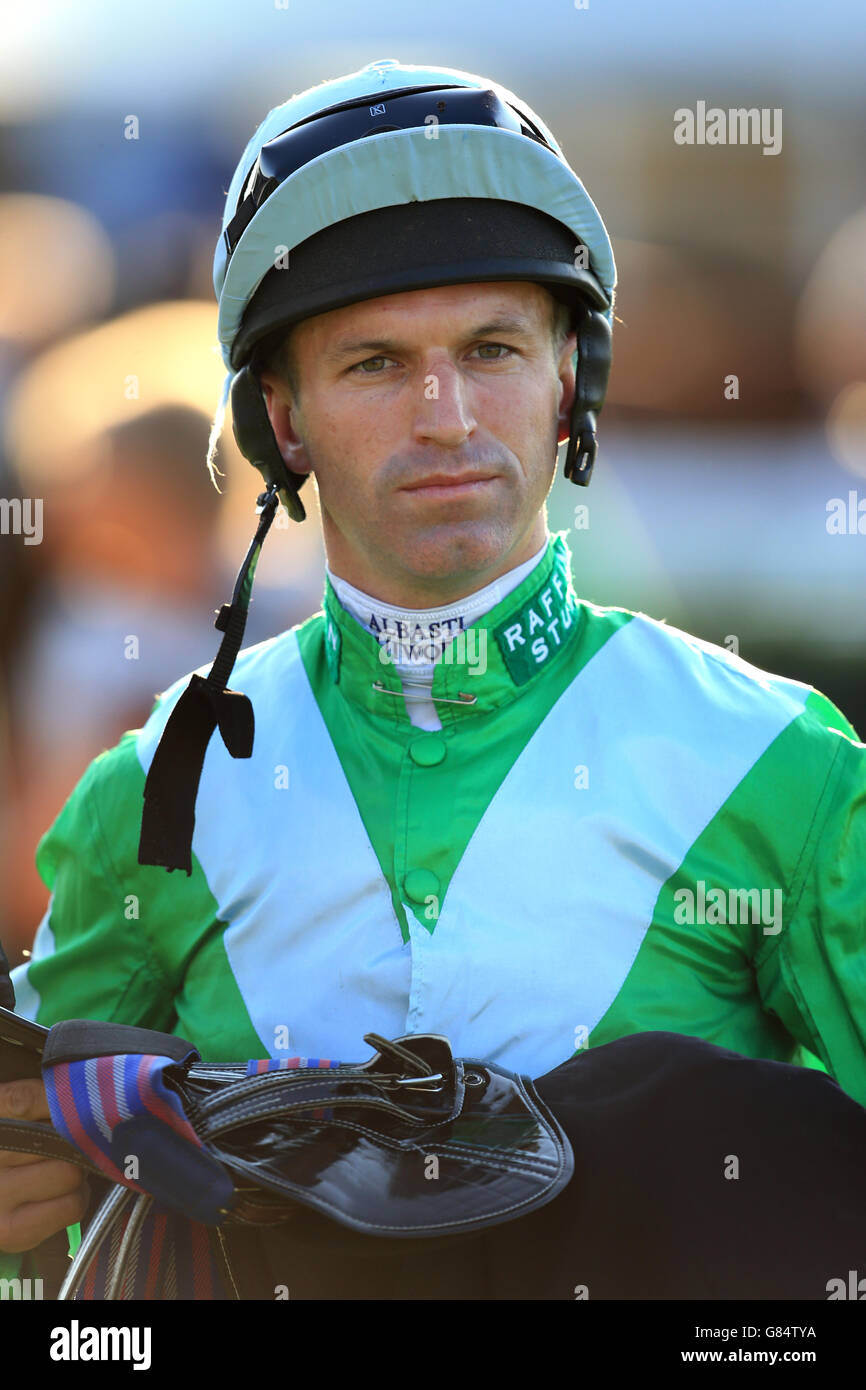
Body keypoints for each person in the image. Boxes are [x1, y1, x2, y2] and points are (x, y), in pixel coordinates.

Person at [1, 59, 865, 1302]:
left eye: (492, 347)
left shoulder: (781, 763)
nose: (445, 413)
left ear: (571, 379)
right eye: (372, 364)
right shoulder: (148, 795)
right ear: (278, 421)